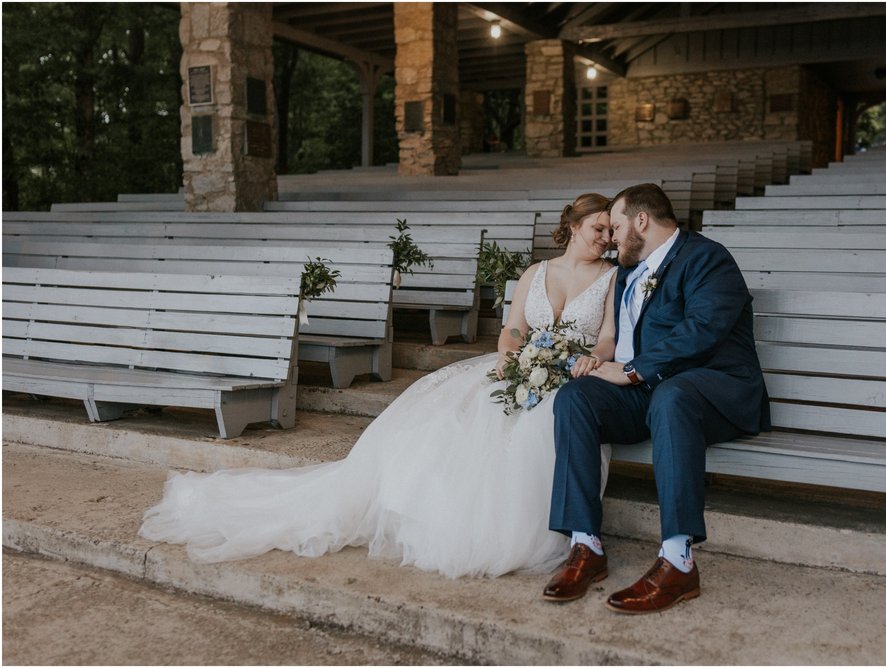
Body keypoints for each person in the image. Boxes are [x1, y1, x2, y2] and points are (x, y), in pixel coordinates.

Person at [139, 193, 619, 579]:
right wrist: (509, 359)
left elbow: (608, 338)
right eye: (598, 227)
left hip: (573, 376)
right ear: (573, 226)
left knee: (531, 430)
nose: (605, 237)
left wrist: (588, 361)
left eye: (609, 230)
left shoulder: (613, 277)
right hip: (518, 368)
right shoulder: (536, 272)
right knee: (443, 419)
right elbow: (513, 329)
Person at [543, 183, 770, 613]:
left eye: (616, 227)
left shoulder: (708, 259)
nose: (610, 238)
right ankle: (585, 545)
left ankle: (678, 561)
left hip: (713, 392)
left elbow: (702, 330)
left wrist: (631, 370)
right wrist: (601, 366)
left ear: (641, 221)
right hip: (650, 394)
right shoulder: (629, 270)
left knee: (673, 394)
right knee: (576, 398)